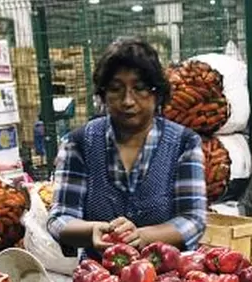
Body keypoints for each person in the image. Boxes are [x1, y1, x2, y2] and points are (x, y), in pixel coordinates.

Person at [47, 38, 207, 259]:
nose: (127, 101)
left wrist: (142, 236)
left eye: (139, 88)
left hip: (168, 280)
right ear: (103, 95)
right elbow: (60, 218)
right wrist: (93, 231)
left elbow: (193, 219)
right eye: (115, 89)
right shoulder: (80, 143)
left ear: (157, 93)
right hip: (99, 279)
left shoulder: (183, 143)